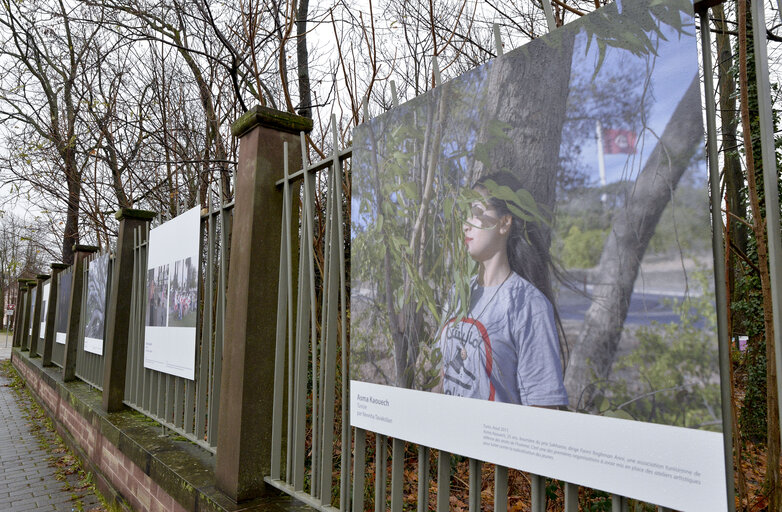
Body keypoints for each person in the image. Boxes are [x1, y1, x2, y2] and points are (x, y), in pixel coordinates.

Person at [438, 172, 568, 407]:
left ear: (504, 223)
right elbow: (441, 376)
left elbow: (542, 408)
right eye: (465, 214)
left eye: (477, 212)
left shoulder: (529, 305)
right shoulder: (457, 295)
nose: (466, 224)